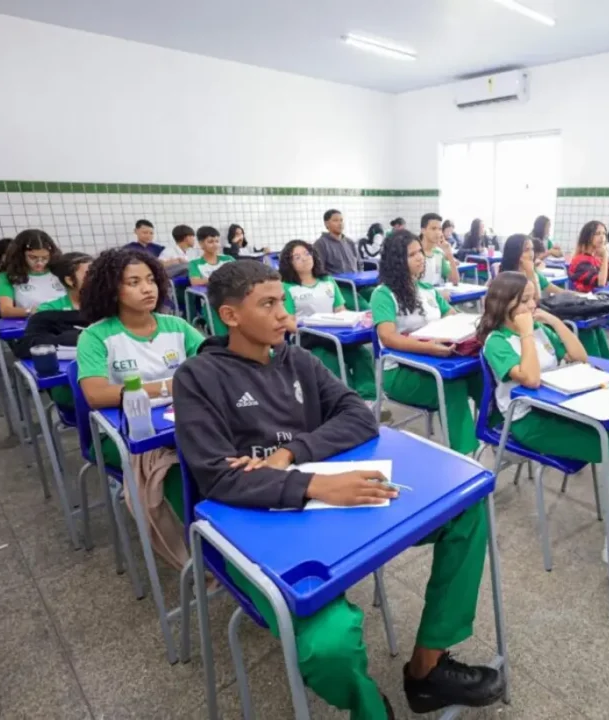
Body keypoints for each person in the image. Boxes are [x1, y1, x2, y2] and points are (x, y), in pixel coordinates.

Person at [174, 260, 503, 719]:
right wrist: (315, 482)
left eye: (283, 302)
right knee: (328, 643)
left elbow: (359, 416)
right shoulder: (198, 377)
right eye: (268, 305)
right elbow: (219, 478)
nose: (285, 316)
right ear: (230, 316)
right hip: (254, 525)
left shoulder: (298, 359)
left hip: (318, 499)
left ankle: (427, 670)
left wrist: (291, 454)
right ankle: (369, 710)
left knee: (465, 512)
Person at [479, 271, 609, 574]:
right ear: (503, 304)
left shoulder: (539, 329)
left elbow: (579, 358)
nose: (531, 305)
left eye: (533, 298)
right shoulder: (496, 341)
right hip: (529, 421)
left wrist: (552, 323)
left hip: (559, 408)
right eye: (523, 300)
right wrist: (526, 332)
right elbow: (531, 378)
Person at [77, 248, 205, 569]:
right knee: (176, 472)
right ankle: (197, 558)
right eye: (133, 282)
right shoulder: (96, 336)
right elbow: (95, 394)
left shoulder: (176, 325)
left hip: (180, 423)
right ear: (112, 289)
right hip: (132, 433)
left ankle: (226, 536)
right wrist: (167, 387)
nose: (147, 288)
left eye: (150, 280)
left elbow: (211, 364)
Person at [371, 231, 483, 456]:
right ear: (397, 261)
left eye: (419, 252)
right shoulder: (383, 294)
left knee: (480, 375)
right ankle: (463, 457)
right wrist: (429, 346)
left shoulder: (428, 290)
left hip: (434, 361)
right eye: (412, 254)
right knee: (452, 385)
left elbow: (453, 316)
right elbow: (388, 338)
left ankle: (502, 434)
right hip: (400, 371)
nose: (420, 257)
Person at [279, 239, 376, 402]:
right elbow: (288, 323)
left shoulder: (328, 281)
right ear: (289, 263)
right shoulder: (287, 287)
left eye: (306, 253)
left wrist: (353, 319)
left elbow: (340, 311)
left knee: (362, 355)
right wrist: (310, 328)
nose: (304, 258)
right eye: (297, 257)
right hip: (309, 338)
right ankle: (347, 403)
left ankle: (369, 400)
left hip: (335, 334)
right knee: (332, 363)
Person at [499, 234, 609, 359]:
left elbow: (556, 290)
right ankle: (593, 365)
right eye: (526, 250)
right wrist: (530, 273)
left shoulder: (534, 272)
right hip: (531, 317)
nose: (531, 254)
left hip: (542, 313)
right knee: (585, 330)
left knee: (594, 325)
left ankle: (606, 365)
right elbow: (534, 302)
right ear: (515, 253)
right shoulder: (507, 278)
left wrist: (584, 296)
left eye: (532, 249)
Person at [20, 252, 93, 408]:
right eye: (89, 274)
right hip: (70, 385)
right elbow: (29, 346)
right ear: (69, 280)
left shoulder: (109, 307)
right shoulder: (48, 311)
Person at [0, 229, 65, 318]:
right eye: (33, 257)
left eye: (45, 258)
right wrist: (32, 311)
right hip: (34, 324)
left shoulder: (60, 271)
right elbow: (6, 310)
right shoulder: (7, 277)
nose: (39, 263)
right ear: (20, 255)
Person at [314, 209, 368, 310]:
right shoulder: (321, 244)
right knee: (366, 308)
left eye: (341, 220)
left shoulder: (350, 242)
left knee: (377, 295)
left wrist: (361, 280)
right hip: (339, 288)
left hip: (358, 286)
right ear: (326, 224)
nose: (340, 223)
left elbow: (359, 264)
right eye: (335, 220)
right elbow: (319, 270)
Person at [568, 221, 609, 293]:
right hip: (585, 300)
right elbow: (601, 283)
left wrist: (608, 259)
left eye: (604, 234)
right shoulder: (580, 260)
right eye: (598, 233)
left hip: (598, 298)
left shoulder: (598, 259)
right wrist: (605, 255)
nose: (602, 237)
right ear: (588, 237)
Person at [420, 213, 459, 287]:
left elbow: (455, 280)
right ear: (423, 231)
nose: (438, 232)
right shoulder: (415, 253)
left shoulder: (438, 253)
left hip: (437, 295)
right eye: (433, 228)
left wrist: (449, 255)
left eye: (440, 229)